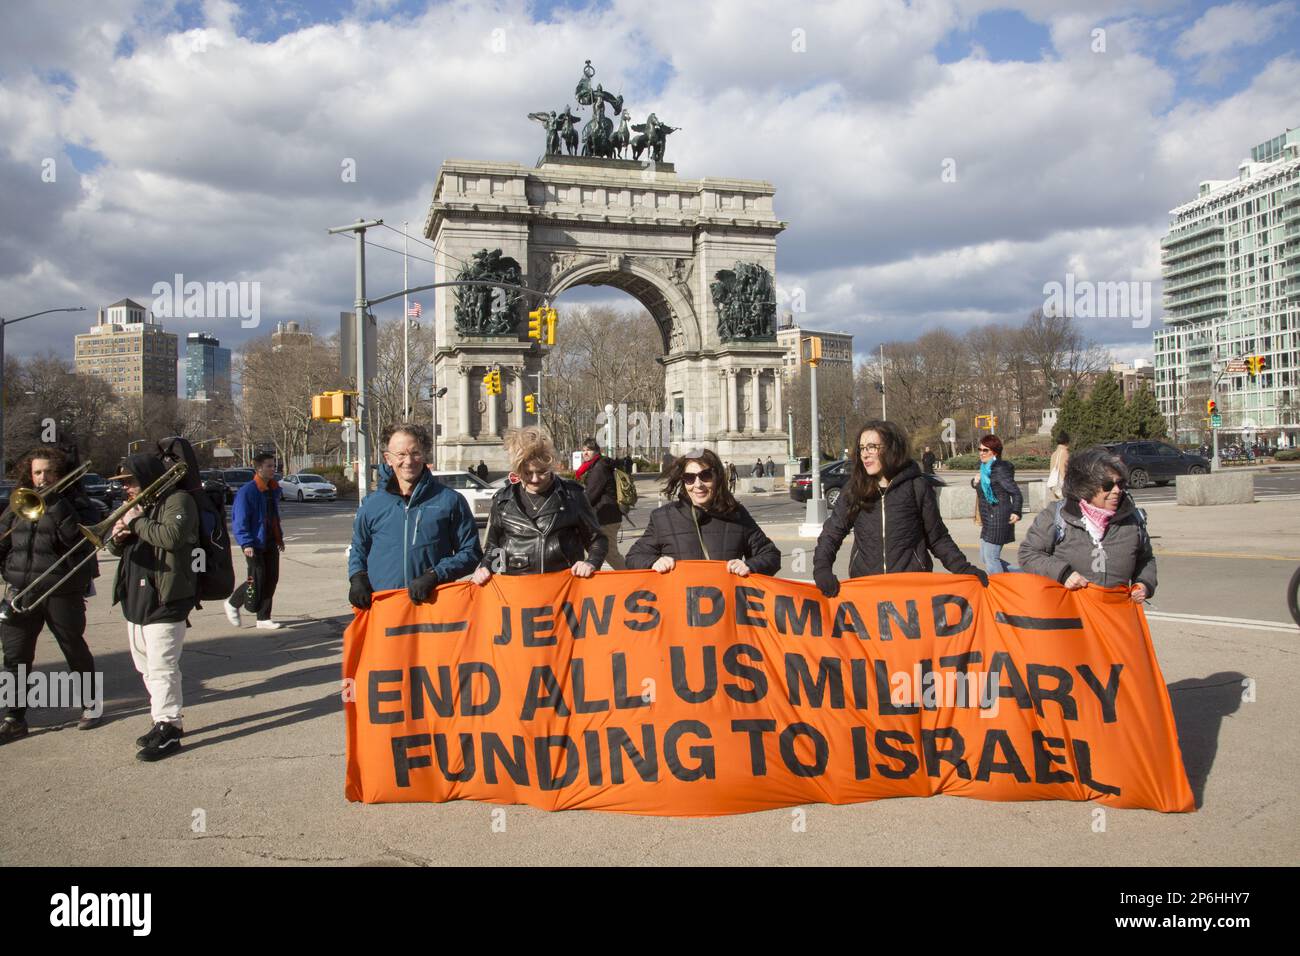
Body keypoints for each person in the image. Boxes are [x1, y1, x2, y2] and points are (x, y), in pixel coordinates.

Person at [813, 421, 986, 596]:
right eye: (862, 448)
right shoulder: (854, 489)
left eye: (872, 447)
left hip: (911, 592)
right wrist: (822, 568)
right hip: (866, 592)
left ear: (891, 448)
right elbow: (832, 534)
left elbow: (938, 538)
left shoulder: (917, 487)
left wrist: (964, 569)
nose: (865, 454)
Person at [0, 447, 102, 743]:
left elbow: (81, 545)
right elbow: (4, 542)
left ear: (59, 474)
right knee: (15, 655)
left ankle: (90, 705)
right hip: (22, 591)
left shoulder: (74, 503)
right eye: (37, 472)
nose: (42, 478)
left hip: (61, 592)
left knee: (73, 648)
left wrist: (56, 506)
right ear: (29, 475)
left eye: (48, 472)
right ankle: (14, 718)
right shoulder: (18, 504)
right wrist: (8, 571)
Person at [106, 452, 199, 761]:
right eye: (122, 484)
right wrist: (118, 536)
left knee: (162, 667)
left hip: (166, 597)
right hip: (136, 597)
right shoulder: (139, 507)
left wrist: (137, 521)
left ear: (146, 477)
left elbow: (172, 537)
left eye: (129, 482)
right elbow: (113, 546)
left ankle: (170, 728)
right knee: (145, 666)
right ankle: (161, 718)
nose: (125, 489)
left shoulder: (178, 500)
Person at [348, 423, 482, 609]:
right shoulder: (371, 504)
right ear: (388, 458)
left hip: (433, 606)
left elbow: (470, 553)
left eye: (415, 453)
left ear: (425, 455)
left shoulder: (451, 501)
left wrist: (435, 574)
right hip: (384, 607)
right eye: (401, 454)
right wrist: (357, 576)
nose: (409, 461)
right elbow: (359, 548)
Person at [1019, 446, 1156, 602]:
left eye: (1120, 483)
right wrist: (1063, 574)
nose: (1117, 490)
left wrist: (1144, 584)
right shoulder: (1056, 516)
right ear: (1085, 487)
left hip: (1115, 617)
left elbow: (1146, 559)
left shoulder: (1133, 519)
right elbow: (1028, 554)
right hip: (1069, 617)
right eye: (1108, 485)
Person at [472, 426, 606, 584]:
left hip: (564, 590)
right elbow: (495, 547)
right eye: (527, 473)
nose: (535, 479)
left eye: (542, 471)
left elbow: (597, 540)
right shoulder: (503, 501)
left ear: (550, 467)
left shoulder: (572, 495)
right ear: (518, 470)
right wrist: (486, 568)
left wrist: (591, 563)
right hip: (519, 592)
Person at [627, 448, 780, 576]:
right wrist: (653, 562)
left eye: (705, 476)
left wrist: (750, 566)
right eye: (689, 478)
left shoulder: (736, 514)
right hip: (680, 608)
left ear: (717, 478)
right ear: (683, 481)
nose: (698, 484)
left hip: (724, 608)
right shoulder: (662, 517)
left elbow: (771, 555)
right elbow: (633, 557)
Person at [225, 453, 284, 630]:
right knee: (256, 578)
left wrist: (279, 537)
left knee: (271, 578)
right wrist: (246, 542)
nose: (273, 469)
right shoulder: (248, 491)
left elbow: (273, 517)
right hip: (254, 542)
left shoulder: (273, 489)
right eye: (269, 466)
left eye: (274, 466)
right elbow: (240, 519)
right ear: (258, 468)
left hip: (270, 541)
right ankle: (233, 603)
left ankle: (263, 617)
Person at [970, 434, 1024, 574]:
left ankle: (998, 588)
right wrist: (975, 482)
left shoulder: (999, 469)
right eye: (980, 449)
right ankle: (1022, 575)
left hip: (999, 517)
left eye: (985, 450)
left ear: (994, 452)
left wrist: (1016, 511)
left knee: (991, 558)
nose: (981, 453)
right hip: (988, 518)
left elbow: (1015, 492)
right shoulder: (985, 468)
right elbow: (984, 488)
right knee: (984, 557)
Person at [575, 438, 625, 570]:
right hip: (603, 516)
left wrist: (574, 506)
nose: (585, 453)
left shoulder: (599, 468)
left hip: (606, 517)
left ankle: (633, 579)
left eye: (589, 450)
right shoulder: (596, 466)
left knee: (610, 554)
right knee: (595, 552)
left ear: (597, 451)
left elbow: (590, 495)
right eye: (584, 450)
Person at [1047, 432, 1070, 501]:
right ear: (1067, 442)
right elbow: (1064, 472)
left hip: (1054, 486)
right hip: (1061, 487)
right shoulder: (1064, 453)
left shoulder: (1054, 454)